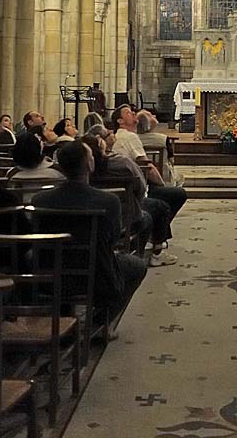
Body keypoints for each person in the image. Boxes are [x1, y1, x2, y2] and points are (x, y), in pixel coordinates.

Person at [32, 140, 147, 333]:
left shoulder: (40, 199)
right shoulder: (108, 201)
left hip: (50, 273)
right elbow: (113, 238)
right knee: (137, 266)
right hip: (97, 275)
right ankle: (101, 322)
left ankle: (64, 321)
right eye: (91, 156)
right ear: (89, 164)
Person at [82, 133, 174, 266]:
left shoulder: (80, 167)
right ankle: (138, 257)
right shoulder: (121, 163)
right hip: (125, 216)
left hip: (86, 217)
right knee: (149, 215)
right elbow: (141, 187)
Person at [112, 104, 186, 253]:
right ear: (120, 121)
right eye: (128, 112)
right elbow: (147, 165)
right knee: (174, 195)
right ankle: (156, 244)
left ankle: (154, 235)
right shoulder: (129, 136)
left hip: (127, 187)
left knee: (166, 195)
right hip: (133, 191)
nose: (133, 113)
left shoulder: (122, 136)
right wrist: (163, 184)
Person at [136, 110, 184, 187]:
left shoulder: (132, 138)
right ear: (148, 123)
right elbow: (171, 159)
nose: (154, 116)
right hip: (162, 176)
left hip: (138, 174)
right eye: (151, 115)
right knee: (180, 178)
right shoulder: (163, 139)